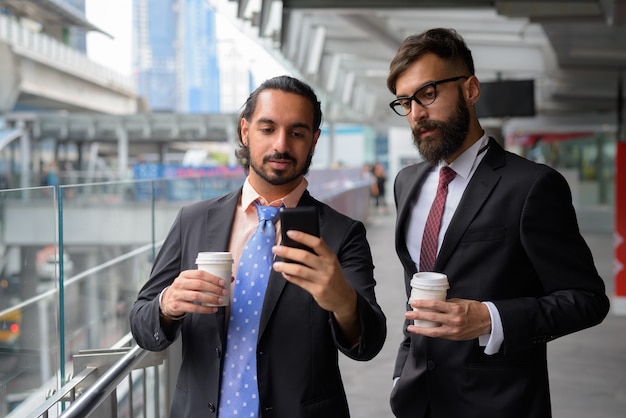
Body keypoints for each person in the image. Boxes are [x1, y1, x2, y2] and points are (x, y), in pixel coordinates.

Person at [130, 75, 387, 418]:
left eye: (297, 133)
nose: (281, 145)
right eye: (268, 129)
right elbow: (142, 326)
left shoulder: (342, 233)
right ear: (245, 132)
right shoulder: (194, 220)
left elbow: (368, 345)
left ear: (313, 141)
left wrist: (342, 299)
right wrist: (167, 304)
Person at [385, 28, 610, 418]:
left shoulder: (532, 186)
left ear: (470, 90)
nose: (417, 113)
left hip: (500, 404)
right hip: (417, 401)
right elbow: (415, 294)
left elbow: (587, 300)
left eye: (428, 93)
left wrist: (490, 318)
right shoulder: (407, 183)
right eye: (405, 102)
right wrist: (400, 376)